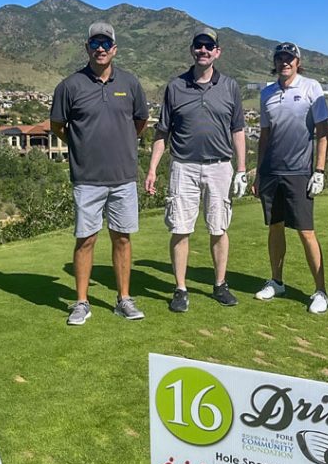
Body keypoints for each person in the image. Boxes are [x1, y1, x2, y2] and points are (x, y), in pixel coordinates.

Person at [50, 20, 149, 324]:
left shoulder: (130, 84)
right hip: (87, 179)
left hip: (123, 178)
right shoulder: (69, 86)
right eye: (95, 43)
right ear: (87, 48)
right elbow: (58, 127)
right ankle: (81, 302)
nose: (101, 48)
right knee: (86, 239)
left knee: (122, 238)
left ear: (115, 48)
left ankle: (124, 299)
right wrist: (81, 145)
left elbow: (140, 122)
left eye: (106, 43)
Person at [145, 27, 247, 312]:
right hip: (183, 166)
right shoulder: (175, 86)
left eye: (208, 46)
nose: (203, 50)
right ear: (192, 49)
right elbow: (163, 132)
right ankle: (180, 288)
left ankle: (220, 284)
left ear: (217, 52)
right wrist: (152, 169)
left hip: (219, 166)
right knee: (180, 228)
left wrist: (241, 169)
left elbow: (238, 130)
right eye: (198, 45)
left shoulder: (230, 87)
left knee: (219, 227)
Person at [253, 42, 328, 313]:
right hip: (272, 172)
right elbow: (264, 136)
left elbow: (323, 133)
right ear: (275, 62)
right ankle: (276, 280)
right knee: (274, 228)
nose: (284, 62)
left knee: (306, 232)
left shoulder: (311, 88)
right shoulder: (267, 94)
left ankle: (320, 290)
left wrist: (319, 171)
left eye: (289, 58)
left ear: (298, 62)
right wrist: (258, 172)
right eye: (280, 58)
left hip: (300, 172)